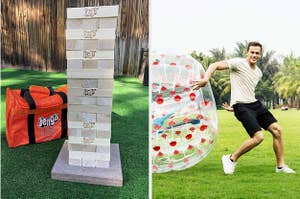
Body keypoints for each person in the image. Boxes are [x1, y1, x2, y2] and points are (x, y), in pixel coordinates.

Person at [193, 41, 295, 174]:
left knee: (277, 131)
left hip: (254, 104)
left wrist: (232, 107)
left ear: (260, 55)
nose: (254, 55)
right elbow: (215, 65)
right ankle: (231, 159)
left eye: (257, 53)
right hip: (242, 106)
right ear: (246, 52)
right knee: (258, 137)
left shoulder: (258, 72)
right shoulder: (238, 63)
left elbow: (246, 89)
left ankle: (280, 167)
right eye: (252, 52)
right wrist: (206, 79)